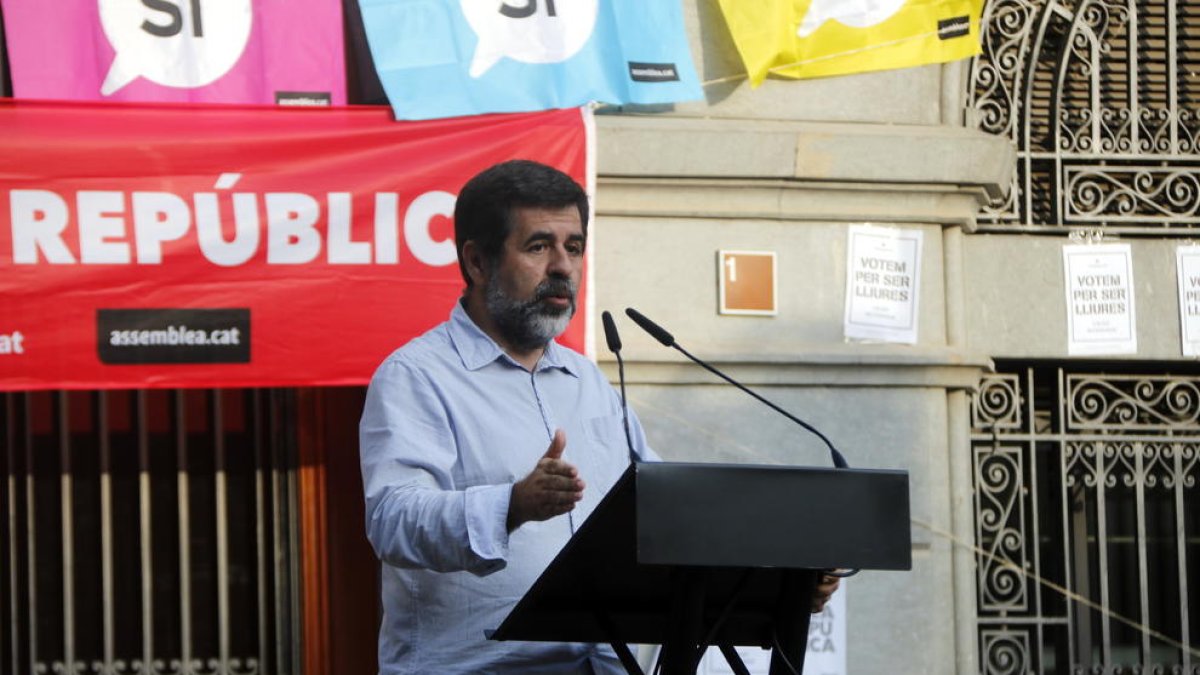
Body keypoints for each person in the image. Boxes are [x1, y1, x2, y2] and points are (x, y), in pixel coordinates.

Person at [359, 159, 838, 674]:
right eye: (539, 246)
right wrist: (511, 505)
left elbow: (665, 513)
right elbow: (393, 521)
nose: (563, 267)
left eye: (575, 247)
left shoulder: (588, 382)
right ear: (477, 262)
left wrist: (776, 580)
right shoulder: (417, 375)